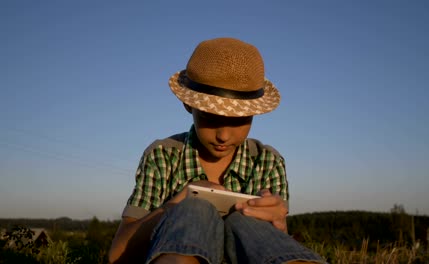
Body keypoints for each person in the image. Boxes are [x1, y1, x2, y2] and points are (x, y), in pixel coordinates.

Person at [108, 37, 326, 264]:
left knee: (246, 223)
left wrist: (278, 225)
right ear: (189, 105)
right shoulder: (163, 156)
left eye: (239, 120)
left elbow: (268, 247)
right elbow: (117, 255)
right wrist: (177, 203)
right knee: (194, 211)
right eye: (210, 118)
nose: (223, 135)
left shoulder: (267, 162)